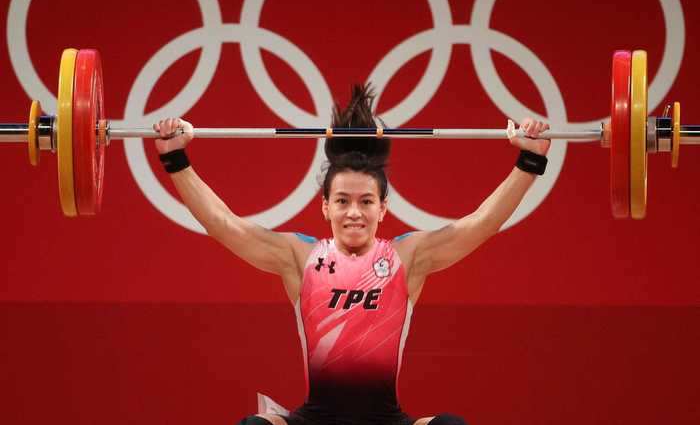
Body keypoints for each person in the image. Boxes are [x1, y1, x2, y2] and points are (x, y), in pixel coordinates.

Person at [154, 84, 550, 425]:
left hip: (386, 419)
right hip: (314, 418)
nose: (354, 212)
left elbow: (481, 223)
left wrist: (529, 161)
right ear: (325, 206)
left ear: (383, 207)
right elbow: (225, 224)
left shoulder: (407, 257)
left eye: (365, 201)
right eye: (342, 200)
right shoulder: (299, 257)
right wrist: (176, 158)